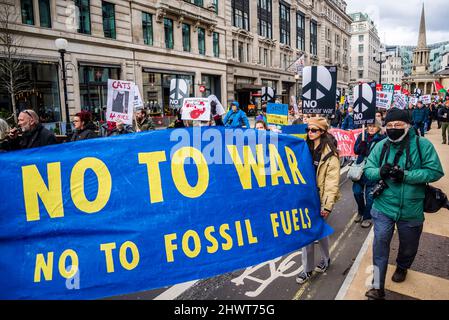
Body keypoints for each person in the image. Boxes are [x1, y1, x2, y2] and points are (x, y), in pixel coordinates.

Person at [363, 108, 444, 300]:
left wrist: (405, 176)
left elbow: (435, 171)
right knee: (380, 245)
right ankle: (377, 286)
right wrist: (380, 172)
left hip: (411, 209)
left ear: (407, 126)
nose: (393, 128)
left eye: (398, 125)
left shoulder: (422, 145)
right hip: (383, 207)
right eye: (389, 125)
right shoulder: (381, 145)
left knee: (409, 246)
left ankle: (402, 266)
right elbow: (368, 169)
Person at [296, 117, 341, 284]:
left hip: (321, 199)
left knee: (309, 233)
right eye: (308, 130)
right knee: (318, 231)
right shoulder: (303, 146)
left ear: (322, 132)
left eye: (314, 130)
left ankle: (308, 269)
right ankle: (323, 260)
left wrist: (327, 206)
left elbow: (332, 182)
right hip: (304, 198)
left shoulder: (330, 154)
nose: (310, 133)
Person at [352, 120, 385, 228]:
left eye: (373, 126)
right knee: (357, 192)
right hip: (359, 170)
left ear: (378, 128)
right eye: (369, 126)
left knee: (370, 196)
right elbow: (356, 150)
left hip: (372, 170)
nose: (371, 128)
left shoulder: (382, 139)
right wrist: (361, 145)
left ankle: (367, 217)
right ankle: (360, 211)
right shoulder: (362, 135)